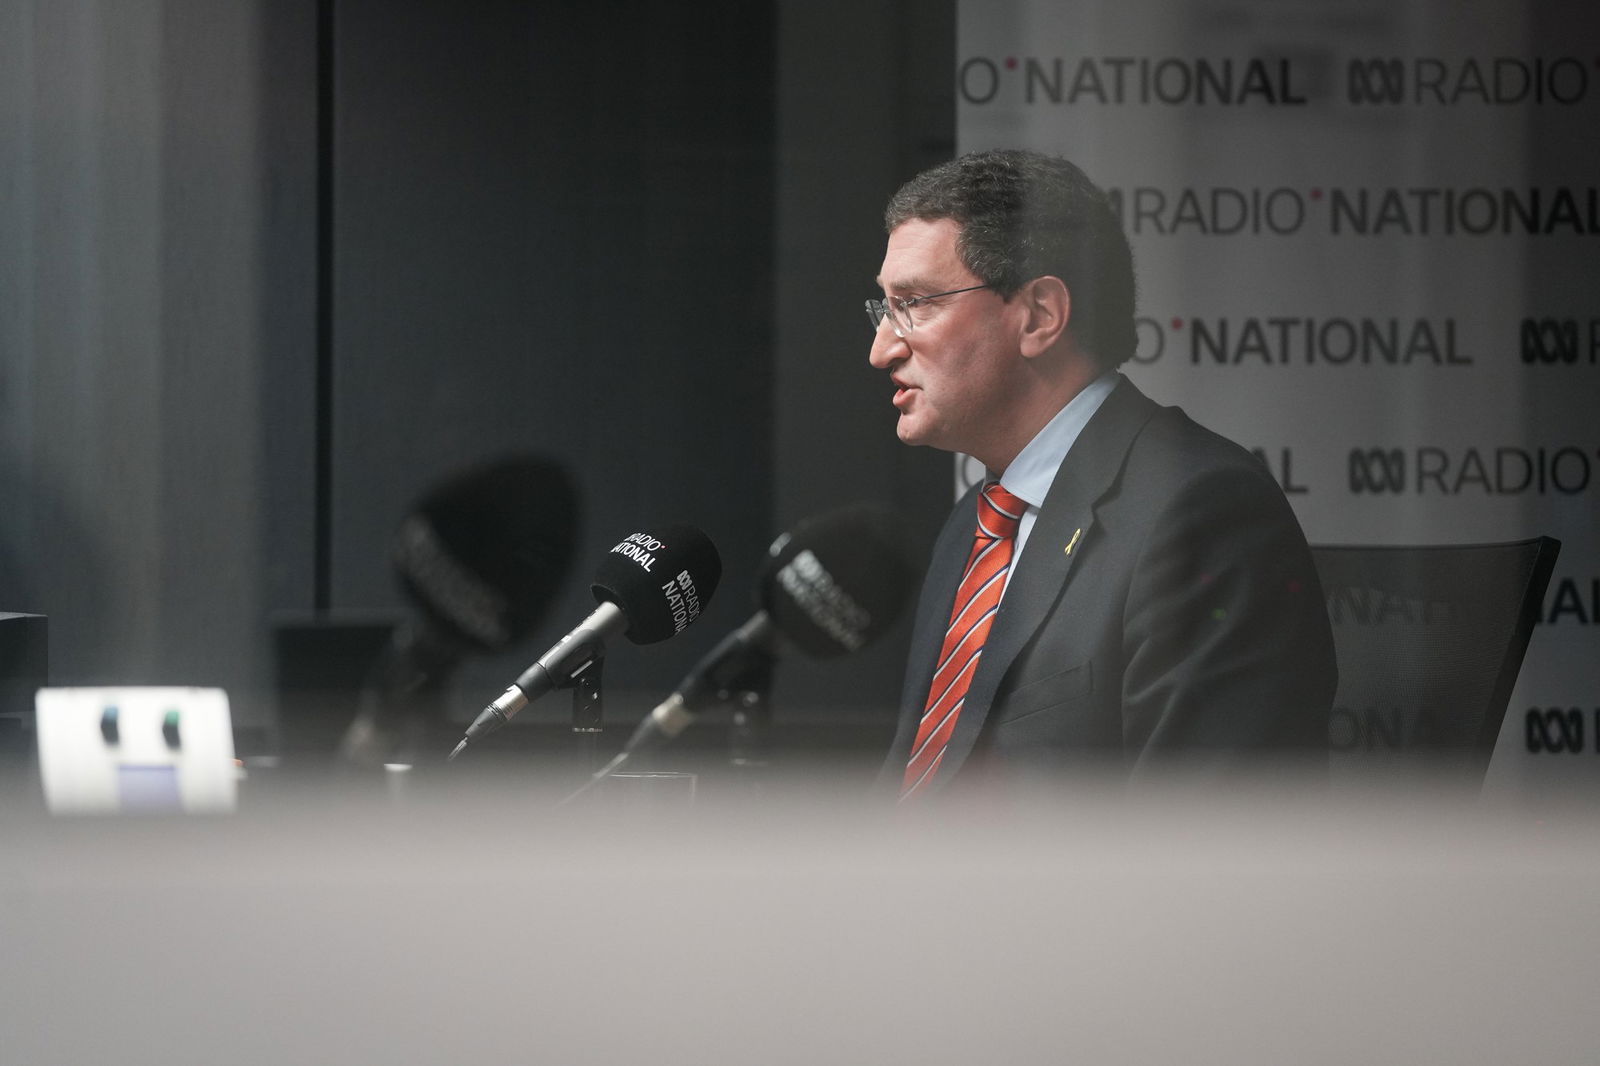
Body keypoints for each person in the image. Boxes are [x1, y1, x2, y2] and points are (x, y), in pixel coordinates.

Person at [868, 149, 1335, 799]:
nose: (882, 349)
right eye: (885, 309)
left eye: (914, 304)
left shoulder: (1202, 512)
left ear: (1039, 315)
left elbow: (1204, 836)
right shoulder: (973, 525)